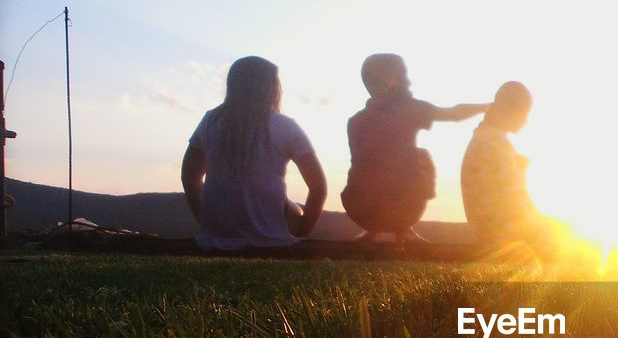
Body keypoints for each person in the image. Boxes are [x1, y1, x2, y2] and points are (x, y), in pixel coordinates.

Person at [181, 56, 326, 250]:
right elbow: (319, 187)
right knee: (293, 209)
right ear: (270, 88)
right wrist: (303, 232)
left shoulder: (211, 121)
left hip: (213, 238)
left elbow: (189, 177)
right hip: (272, 241)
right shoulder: (285, 126)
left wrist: (206, 222)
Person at [341, 53, 490, 242]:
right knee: (422, 157)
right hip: (405, 209)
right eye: (404, 75)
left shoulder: (355, 121)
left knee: (373, 167)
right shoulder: (409, 110)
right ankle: (404, 229)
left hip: (358, 208)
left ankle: (372, 230)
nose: (409, 81)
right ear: (391, 80)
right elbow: (453, 114)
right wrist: (486, 106)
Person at [460, 81, 555, 255]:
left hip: (488, 229)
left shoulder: (483, 137)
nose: (525, 120)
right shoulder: (496, 142)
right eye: (524, 113)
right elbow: (515, 203)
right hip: (502, 233)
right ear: (510, 110)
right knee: (570, 236)